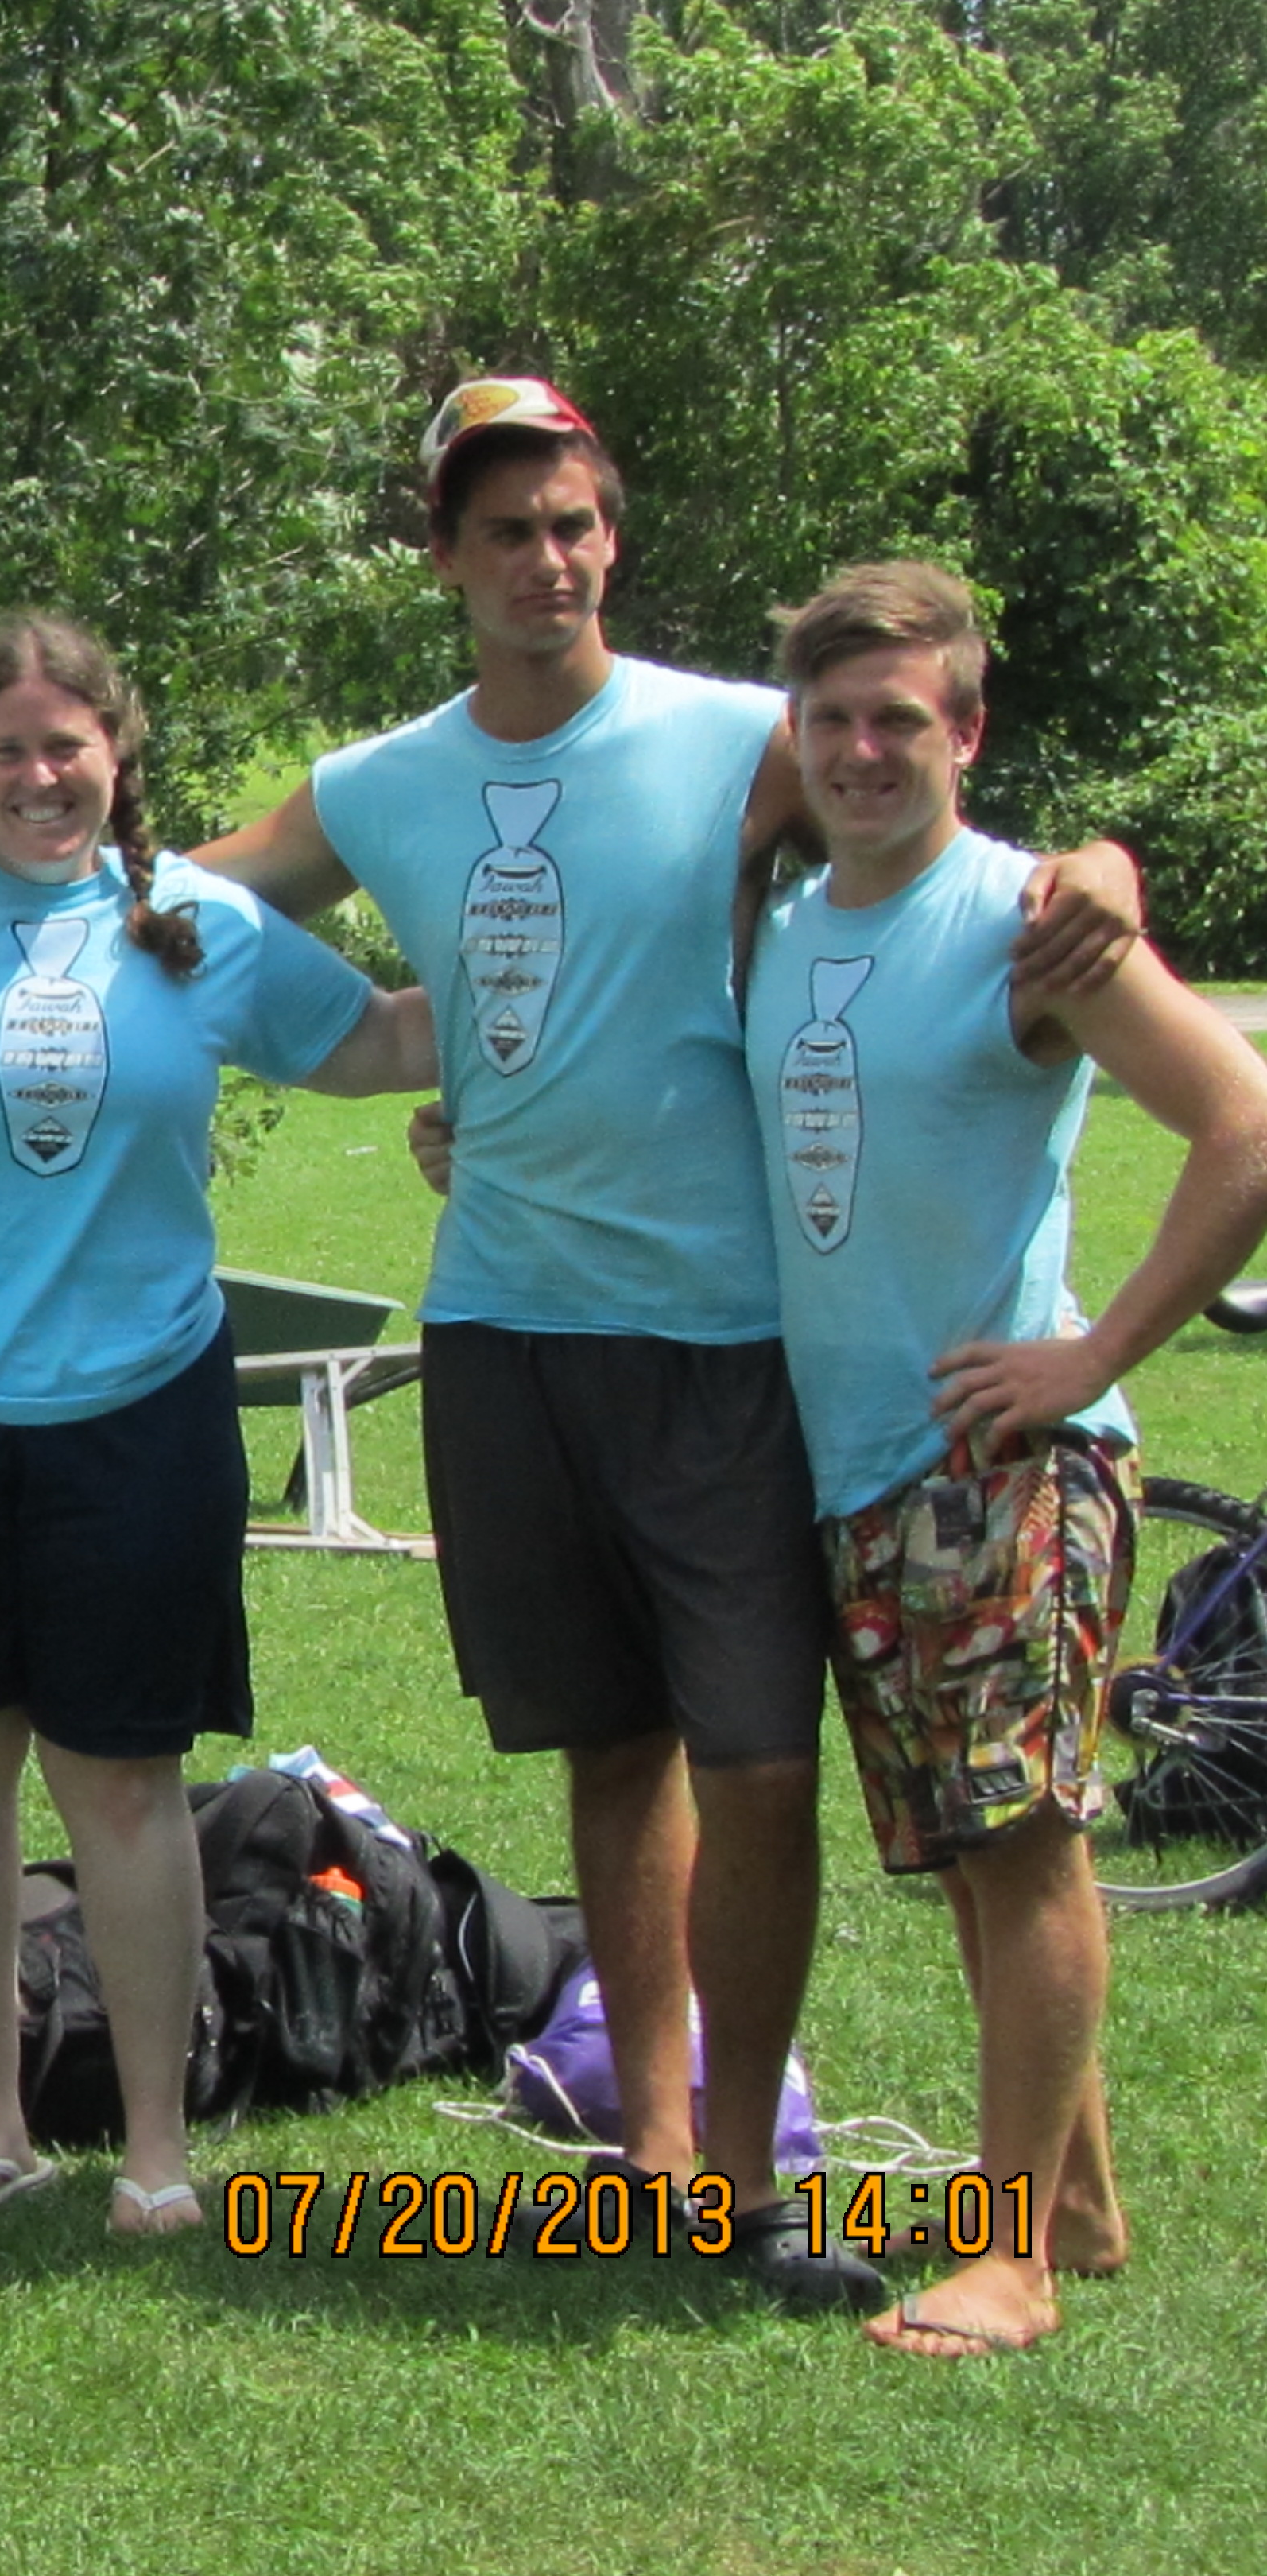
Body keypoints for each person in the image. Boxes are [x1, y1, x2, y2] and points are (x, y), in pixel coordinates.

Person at [146, 379, 1138, 2304]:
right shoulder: (382, 783)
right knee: (613, 1749)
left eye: (577, 522)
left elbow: (946, 827)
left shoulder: (742, 736)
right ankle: (667, 2160)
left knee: (760, 1766)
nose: (550, 559)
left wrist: (1105, 860)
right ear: (445, 558)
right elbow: (174, 885)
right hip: (506, 1335)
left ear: (612, 534)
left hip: (728, 1340)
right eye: (507, 530)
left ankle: (765, 2175)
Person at [0, 615, 434, 2230]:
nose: (40, 777)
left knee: (127, 1787)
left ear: (118, 756)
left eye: (66, 747)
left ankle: (158, 2154)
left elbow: (377, 1040)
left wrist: (564, 991)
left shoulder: (200, 923)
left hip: (140, 1411)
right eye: (5, 750)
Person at [745, 561, 1267, 2357]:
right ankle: (1081, 2208)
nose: (863, 750)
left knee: (1025, 1842)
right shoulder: (788, 920)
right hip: (861, 1470)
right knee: (976, 1852)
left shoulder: (1025, 925)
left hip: (1004, 1466)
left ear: (966, 734)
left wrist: (1092, 1358)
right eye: (833, 720)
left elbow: (1244, 1124)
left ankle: (1016, 2264)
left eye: (902, 719)